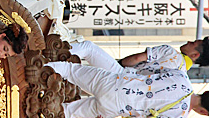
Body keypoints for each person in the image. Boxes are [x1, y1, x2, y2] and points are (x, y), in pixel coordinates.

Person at [47, 59, 209, 118]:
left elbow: (147, 69)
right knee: (66, 112)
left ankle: (36, 72)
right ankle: (39, 115)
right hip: (114, 109)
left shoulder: (181, 77)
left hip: (116, 84)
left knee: (69, 70)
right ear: (203, 112)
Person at [70, 37, 209, 74]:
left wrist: (118, 64)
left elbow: (136, 59)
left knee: (88, 47)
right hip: (124, 95)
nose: (188, 42)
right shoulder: (181, 77)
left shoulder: (170, 53)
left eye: (193, 43)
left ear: (195, 55)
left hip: (121, 74)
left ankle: (57, 52)